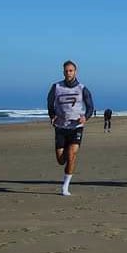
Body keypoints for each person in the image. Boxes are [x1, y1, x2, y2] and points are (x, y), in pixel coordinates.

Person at [47, 60, 94, 196]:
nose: (68, 73)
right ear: (63, 72)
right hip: (61, 127)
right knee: (61, 160)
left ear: (75, 72)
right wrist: (52, 115)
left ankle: (65, 187)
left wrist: (86, 117)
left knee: (72, 155)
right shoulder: (56, 87)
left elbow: (90, 107)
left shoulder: (82, 89)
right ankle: (67, 156)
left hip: (76, 127)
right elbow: (50, 104)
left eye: (71, 71)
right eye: (66, 71)